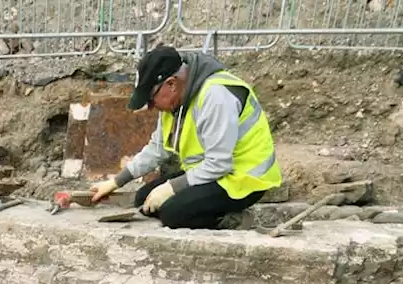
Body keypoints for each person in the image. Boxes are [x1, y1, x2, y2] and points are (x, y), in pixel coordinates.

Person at [89, 46, 282, 231]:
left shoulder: (216, 95)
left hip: (243, 179)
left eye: (151, 98)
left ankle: (233, 219)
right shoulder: (175, 102)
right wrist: (116, 182)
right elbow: (157, 148)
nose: (150, 106)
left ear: (171, 84)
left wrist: (172, 188)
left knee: (173, 214)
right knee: (144, 199)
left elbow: (219, 164)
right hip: (212, 174)